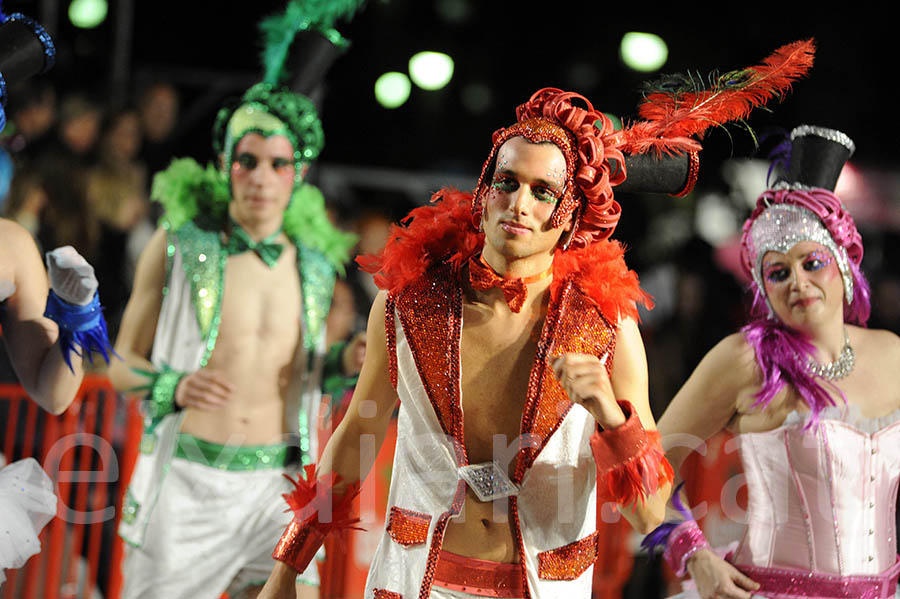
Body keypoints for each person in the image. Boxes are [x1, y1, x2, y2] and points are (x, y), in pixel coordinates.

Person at [262, 87, 688, 599]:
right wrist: (288, 565)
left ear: (571, 216)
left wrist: (613, 419)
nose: (519, 204)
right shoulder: (408, 303)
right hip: (418, 578)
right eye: (506, 182)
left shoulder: (605, 324)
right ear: (483, 192)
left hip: (542, 584)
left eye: (543, 191)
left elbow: (651, 513)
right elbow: (358, 436)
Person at [649, 126, 900, 599]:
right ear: (764, 290)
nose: (798, 283)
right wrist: (693, 554)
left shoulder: (892, 353)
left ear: (843, 263)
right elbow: (647, 467)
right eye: (778, 273)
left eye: (812, 263)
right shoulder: (746, 360)